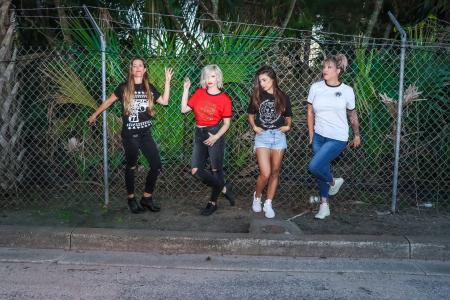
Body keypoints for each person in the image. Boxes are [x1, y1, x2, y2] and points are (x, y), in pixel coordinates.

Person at [88, 58, 173, 214]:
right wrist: (95, 114)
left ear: (144, 69)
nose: (138, 68)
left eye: (140, 65)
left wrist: (167, 81)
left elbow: (165, 101)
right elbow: (108, 102)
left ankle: (147, 198)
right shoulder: (124, 88)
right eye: (134, 66)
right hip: (130, 135)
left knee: (156, 165)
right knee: (131, 166)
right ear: (131, 70)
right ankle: (131, 198)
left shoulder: (150, 88)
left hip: (146, 134)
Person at [307, 53, 361, 219]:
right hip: (318, 135)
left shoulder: (347, 91)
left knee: (314, 167)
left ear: (338, 70)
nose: (325, 70)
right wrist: (311, 134)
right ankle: (324, 206)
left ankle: (332, 182)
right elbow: (309, 111)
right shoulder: (316, 87)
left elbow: (352, 115)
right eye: (324, 67)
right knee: (323, 167)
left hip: (337, 137)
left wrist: (357, 135)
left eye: (329, 67)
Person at [181, 64, 235, 216]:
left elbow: (226, 123)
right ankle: (224, 187)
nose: (210, 79)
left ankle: (213, 203)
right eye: (207, 76)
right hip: (199, 133)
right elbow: (184, 109)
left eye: (213, 76)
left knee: (216, 170)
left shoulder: (224, 99)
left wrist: (216, 136)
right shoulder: (199, 93)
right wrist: (186, 89)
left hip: (214, 133)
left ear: (218, 78)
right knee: (195, 170)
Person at [248, 66, 292, 219]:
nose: (262, 83)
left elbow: (288, 116)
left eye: (264, 80)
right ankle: (257, 197)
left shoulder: (283, 97)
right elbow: (251, 115)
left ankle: (268, 203)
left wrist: (288, 126)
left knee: (274, 172)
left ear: (273, 79)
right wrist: (254, 127)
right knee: (265, 173)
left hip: (279, 137)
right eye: (260, 81)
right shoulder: (257, 96)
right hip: (263, 137)